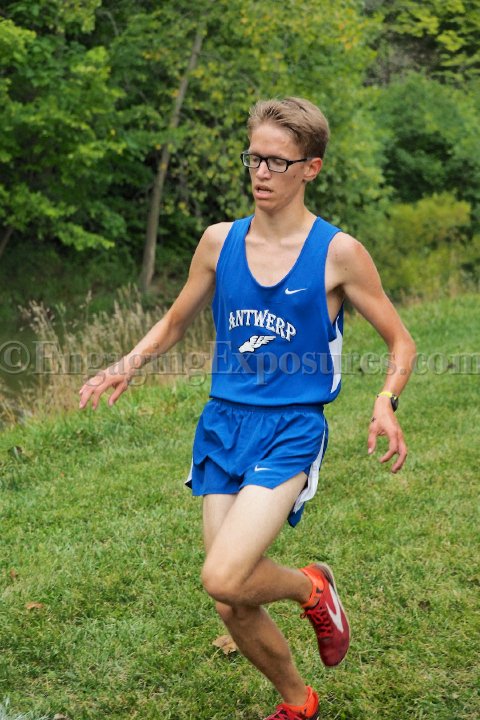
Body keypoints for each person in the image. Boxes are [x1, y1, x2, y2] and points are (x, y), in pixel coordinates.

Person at [79, 97, 416, 720]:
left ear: (310, 168)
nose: (262, 173)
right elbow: (175, 322)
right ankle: (298, 701)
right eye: (254, 158)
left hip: (291, 428)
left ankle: (312, 586)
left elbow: (402, 342)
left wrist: (384, 400)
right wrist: (125, 365)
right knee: (229, 598)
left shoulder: (338, 252)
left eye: (277, 162)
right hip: (222, 423)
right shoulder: (218, 241)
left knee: (224, 575)